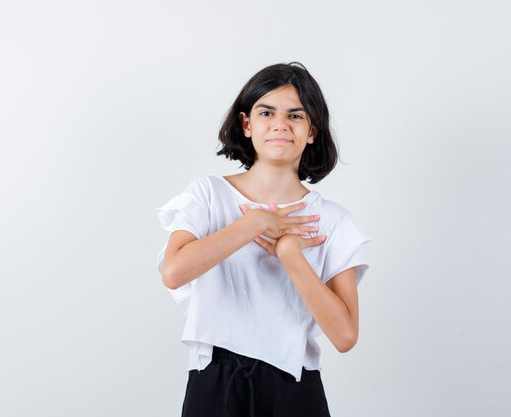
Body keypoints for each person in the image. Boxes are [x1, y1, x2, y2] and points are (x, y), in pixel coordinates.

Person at [155, 62, 372, 417]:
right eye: (267, 112)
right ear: (246, 124)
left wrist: (290, 254)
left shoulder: (332, 220)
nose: (280, 124)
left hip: (295, 384)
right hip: (215, 379)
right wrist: (255, 222)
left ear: (312, 130)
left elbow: (345, 336)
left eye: (296, 115)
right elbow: (174, 271)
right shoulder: (209, 194)